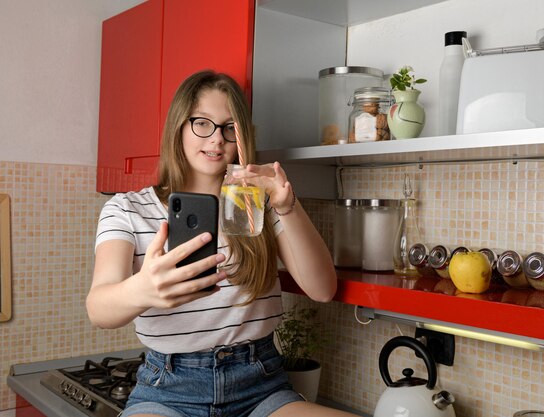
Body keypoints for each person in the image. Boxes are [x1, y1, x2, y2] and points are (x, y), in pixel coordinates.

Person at [86, 70, 359, 417]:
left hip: (261, 386)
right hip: (168, 391)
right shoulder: (127, 209)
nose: (217, 140)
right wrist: (143, 289)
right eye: (202, 123)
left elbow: (322, 289)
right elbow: (99, 308)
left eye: (230, 128)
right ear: (179, 127)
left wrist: (287, 206)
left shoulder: (258, 204)